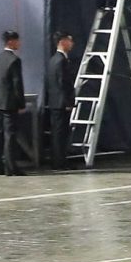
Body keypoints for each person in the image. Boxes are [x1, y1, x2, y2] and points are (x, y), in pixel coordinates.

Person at [0, 30, 27, 176]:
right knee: (10, 135)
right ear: (11, 42)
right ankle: (11, 167)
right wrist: (21, 103)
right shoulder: (14, 60)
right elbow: (17, 84)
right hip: (9, 103)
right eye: (17, 40)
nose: (19, 43)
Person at [43, 31, 77, 167]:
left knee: (57, 132)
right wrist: (68, 102)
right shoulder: (61, 60)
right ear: (62, 42)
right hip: (61, 103)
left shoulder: (53, 60)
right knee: (61, 133)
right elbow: (63, 83)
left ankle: (58, 159)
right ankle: (60, 161)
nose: (72, 43)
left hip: (54, 102)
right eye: (70, 40)